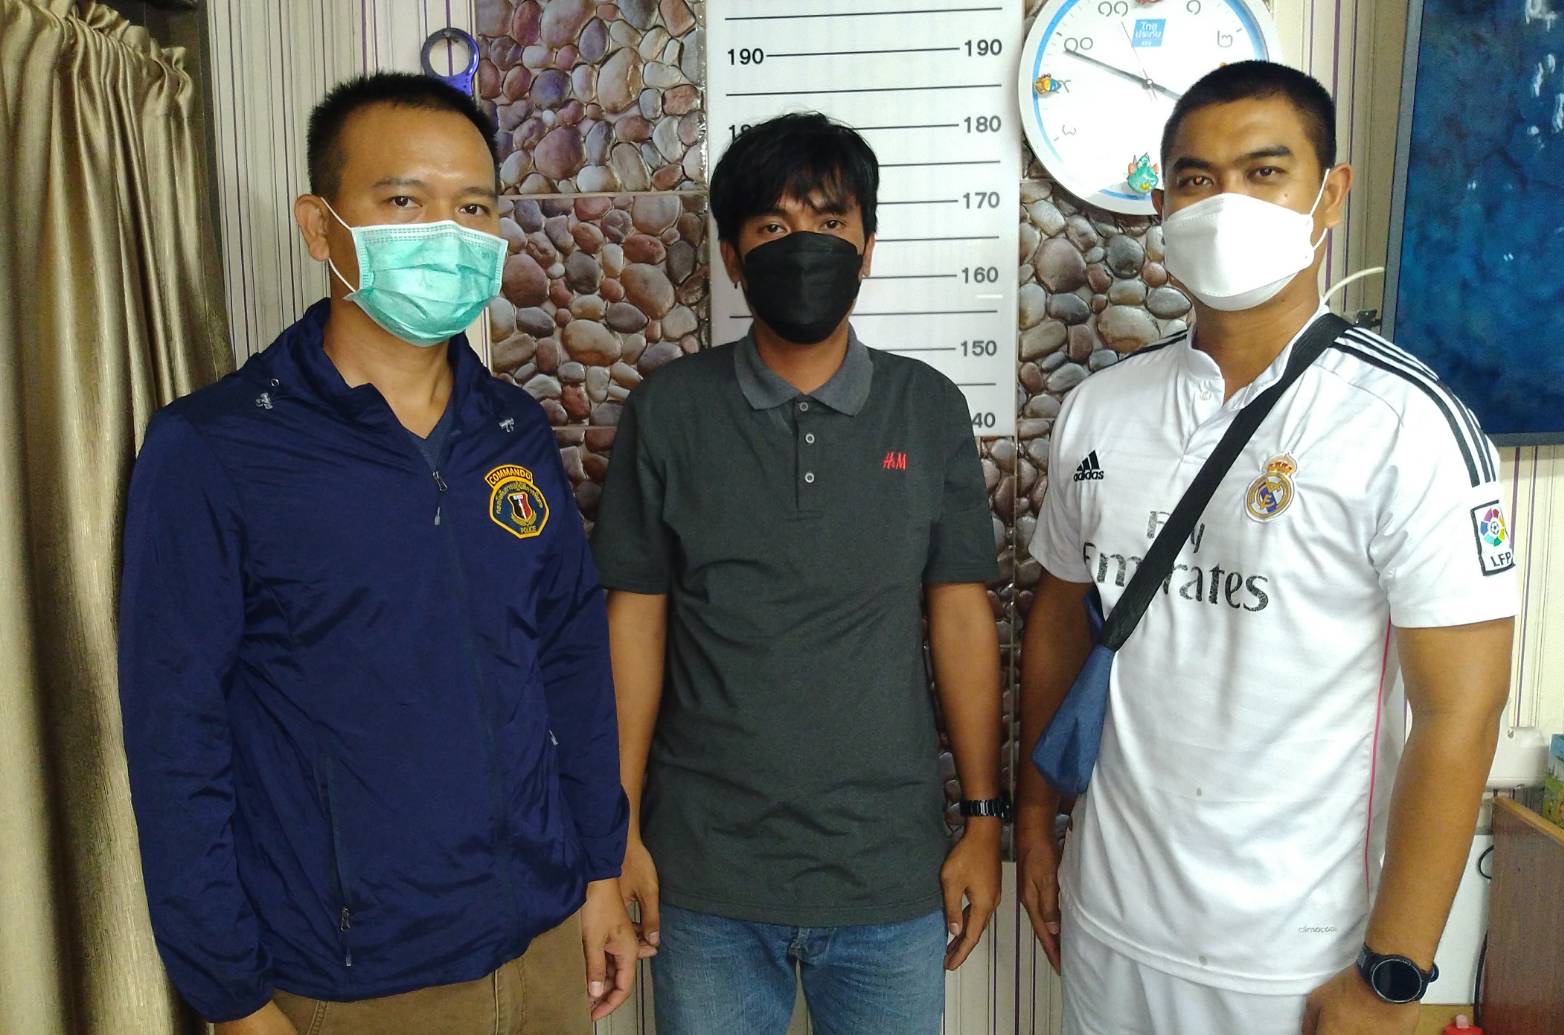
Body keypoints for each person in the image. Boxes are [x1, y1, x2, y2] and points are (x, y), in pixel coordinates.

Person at [118, 72, 636, 1035]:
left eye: (472, 206)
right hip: (349, 984)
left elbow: (570, 661)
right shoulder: (216, 449)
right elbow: (174, 738)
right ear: (320, 227)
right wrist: (232, 996)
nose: (446, 231)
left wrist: (599, 869)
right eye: (404, 200)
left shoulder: (512, 430)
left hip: (542, 945)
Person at [1014, 61, 1517, 1035]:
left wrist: (1391, 975)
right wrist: (1035, 816)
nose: (1225, 203)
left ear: (1330, 192)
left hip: (1291, 958)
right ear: (1162, 206)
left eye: (1264, 172)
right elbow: (1061, 620)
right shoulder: (1100, 411)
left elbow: (1462, 708)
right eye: (1196, 179)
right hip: (1105, 924)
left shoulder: (1406, 426)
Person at [592, 112, 1006, 1034]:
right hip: (705, 875)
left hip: (888, 873)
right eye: (773, 227)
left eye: (829, 222)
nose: (804, 245)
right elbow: (634, 623)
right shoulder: (669, 411)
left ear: (868, 247)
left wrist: (983, 819)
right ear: (732, 258)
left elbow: (961, 616)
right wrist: (617, 829)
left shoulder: (927, 406)